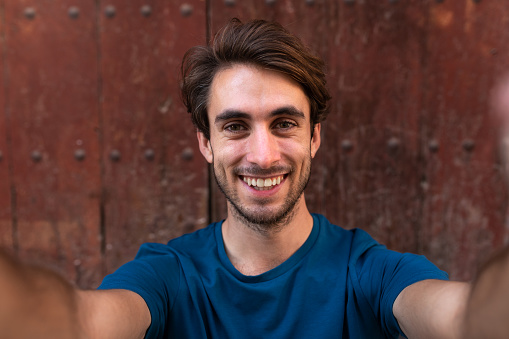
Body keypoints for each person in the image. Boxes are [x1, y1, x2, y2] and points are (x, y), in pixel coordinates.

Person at [0, 17, 496, 339]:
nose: (262, 155)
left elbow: (462, 318)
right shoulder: (167, 276)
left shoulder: (370, 273)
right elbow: (81, 323)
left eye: (284, 123)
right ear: (206, 143)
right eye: (235, 126)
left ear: (315, 138)